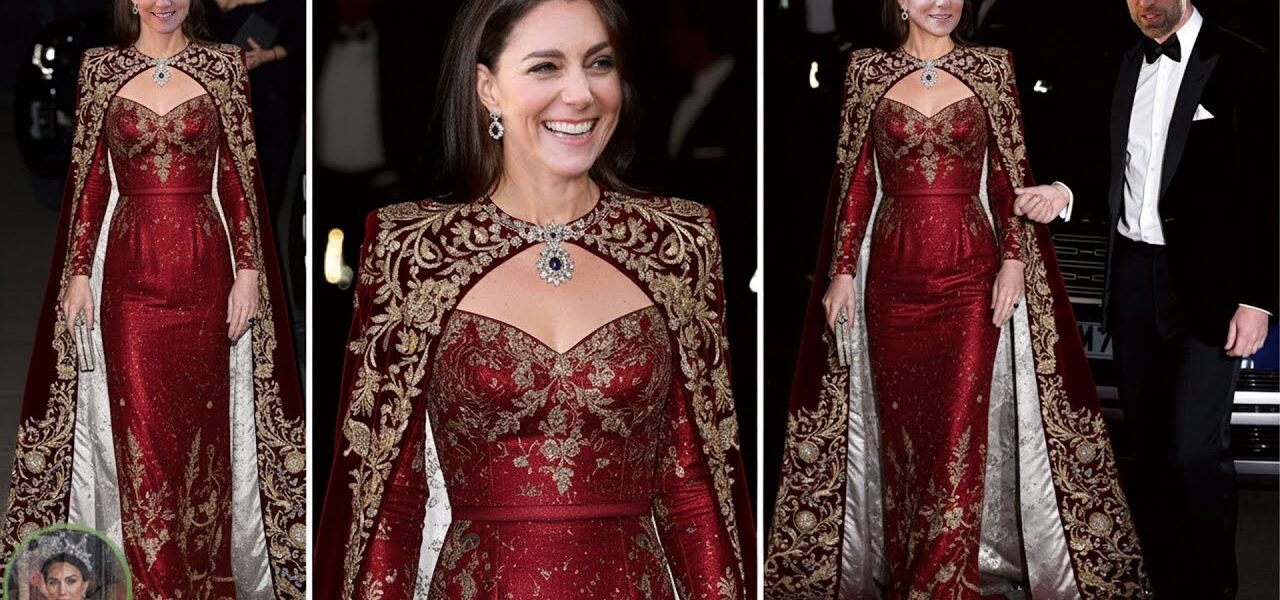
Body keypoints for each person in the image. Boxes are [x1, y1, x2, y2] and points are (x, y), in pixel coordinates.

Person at [313, 0, 754, 598]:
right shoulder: (410, 251)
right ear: (487, 87)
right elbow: (389, 499)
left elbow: (696, 489)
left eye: (599, 64)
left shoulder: (679, 242)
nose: (581, 95)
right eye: (546, 67)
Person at [765, 1, 1151, 598]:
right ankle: (906, 567)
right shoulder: (866, 70)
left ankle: (941, 585)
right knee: (903, 443)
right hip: (891, 283)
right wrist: (841, 272)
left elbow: (1007, 175)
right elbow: (855, 179)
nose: (941, 1)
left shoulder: (993, 68)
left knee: (956, 436)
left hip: (971, 278)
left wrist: (1015, 261)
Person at [0, 0, 305, 597]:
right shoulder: (100, 69)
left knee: (202, 435)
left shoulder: (221, 66)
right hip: (130, 276)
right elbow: (89, 179)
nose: (163, 2)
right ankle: (150, 580)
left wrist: (248, 270)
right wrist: (80, 271)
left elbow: (238, 178)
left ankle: (199, 572)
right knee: (140, 430)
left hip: (206, 269)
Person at [1018, 1, 1278, 597]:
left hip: (1209, 288)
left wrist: (1258, 297)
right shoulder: (1120, 60)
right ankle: (1159, 581)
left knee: (1193, 452)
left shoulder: (1245, 63)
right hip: (1133, 276)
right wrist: (1063, 191)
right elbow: (1098, 152)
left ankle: (1213, 588)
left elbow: (1270, 183)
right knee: (1153, 453)